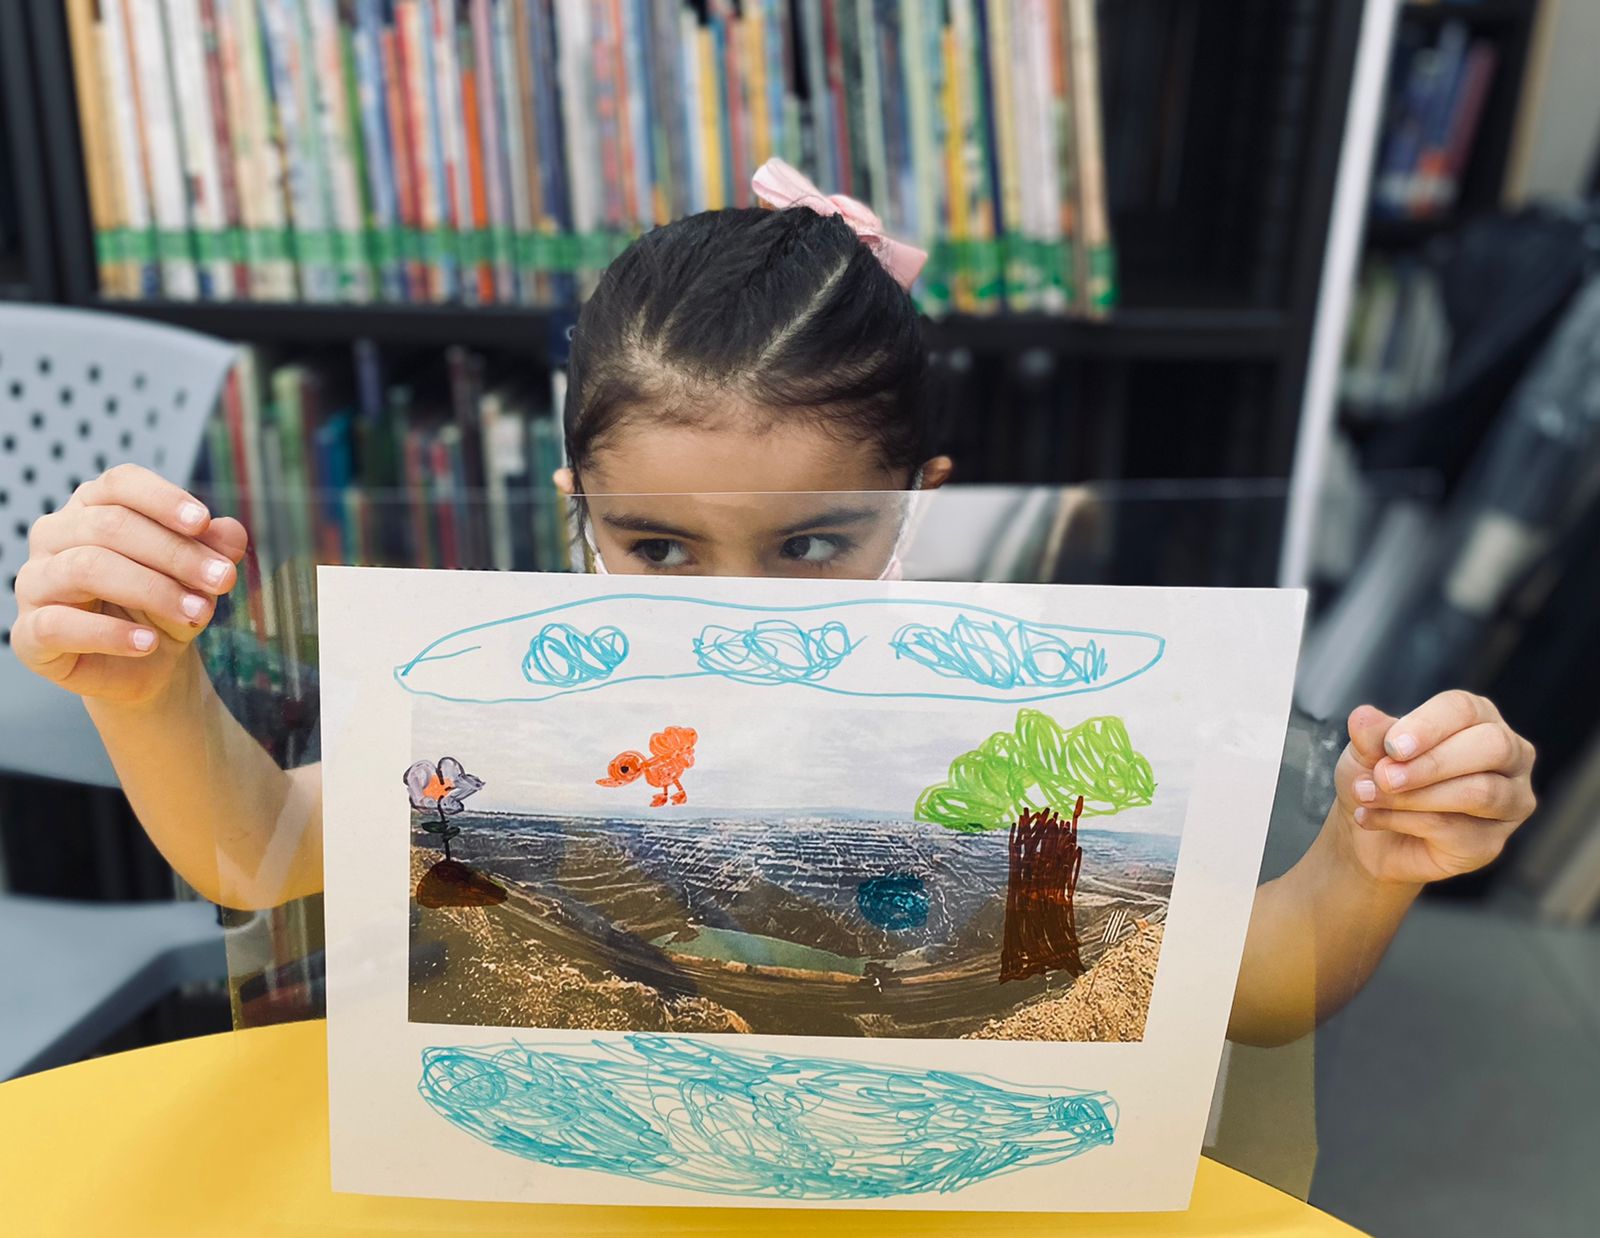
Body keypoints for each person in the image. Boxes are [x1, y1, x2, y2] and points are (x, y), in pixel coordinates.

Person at [11, 160, 1535, 1047]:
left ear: (920, 502)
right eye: (659, 547)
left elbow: (1245, 990)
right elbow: (258, 844)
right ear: (574, 517)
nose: (735, 611)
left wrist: (1366, 857)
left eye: (812, 544)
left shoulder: (1008, 740)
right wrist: (148, 694)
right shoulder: (522, 718)